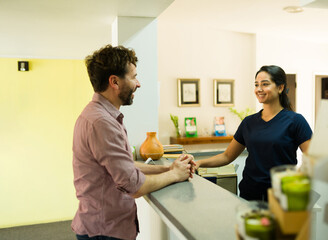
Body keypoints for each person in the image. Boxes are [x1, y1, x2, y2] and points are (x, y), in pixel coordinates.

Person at [71, 44, 195, 240]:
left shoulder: (101, 116)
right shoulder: (101, 122)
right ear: (114, 82)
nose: (138, 83)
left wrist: (168, 168)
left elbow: (125, 167)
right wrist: (175, 175)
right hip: (104, 232)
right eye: (133, 76)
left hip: (101, 226)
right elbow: (134, 186)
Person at [195, 65, 312, 201]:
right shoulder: (248, 122)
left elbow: (312, 159)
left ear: (280, 88)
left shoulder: (296, 121)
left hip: (281, 196)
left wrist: (296, 179)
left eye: (265, 84)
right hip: (249, 194)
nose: (259, 89)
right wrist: (199, 162)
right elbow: (227, 156)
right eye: (256, 85)